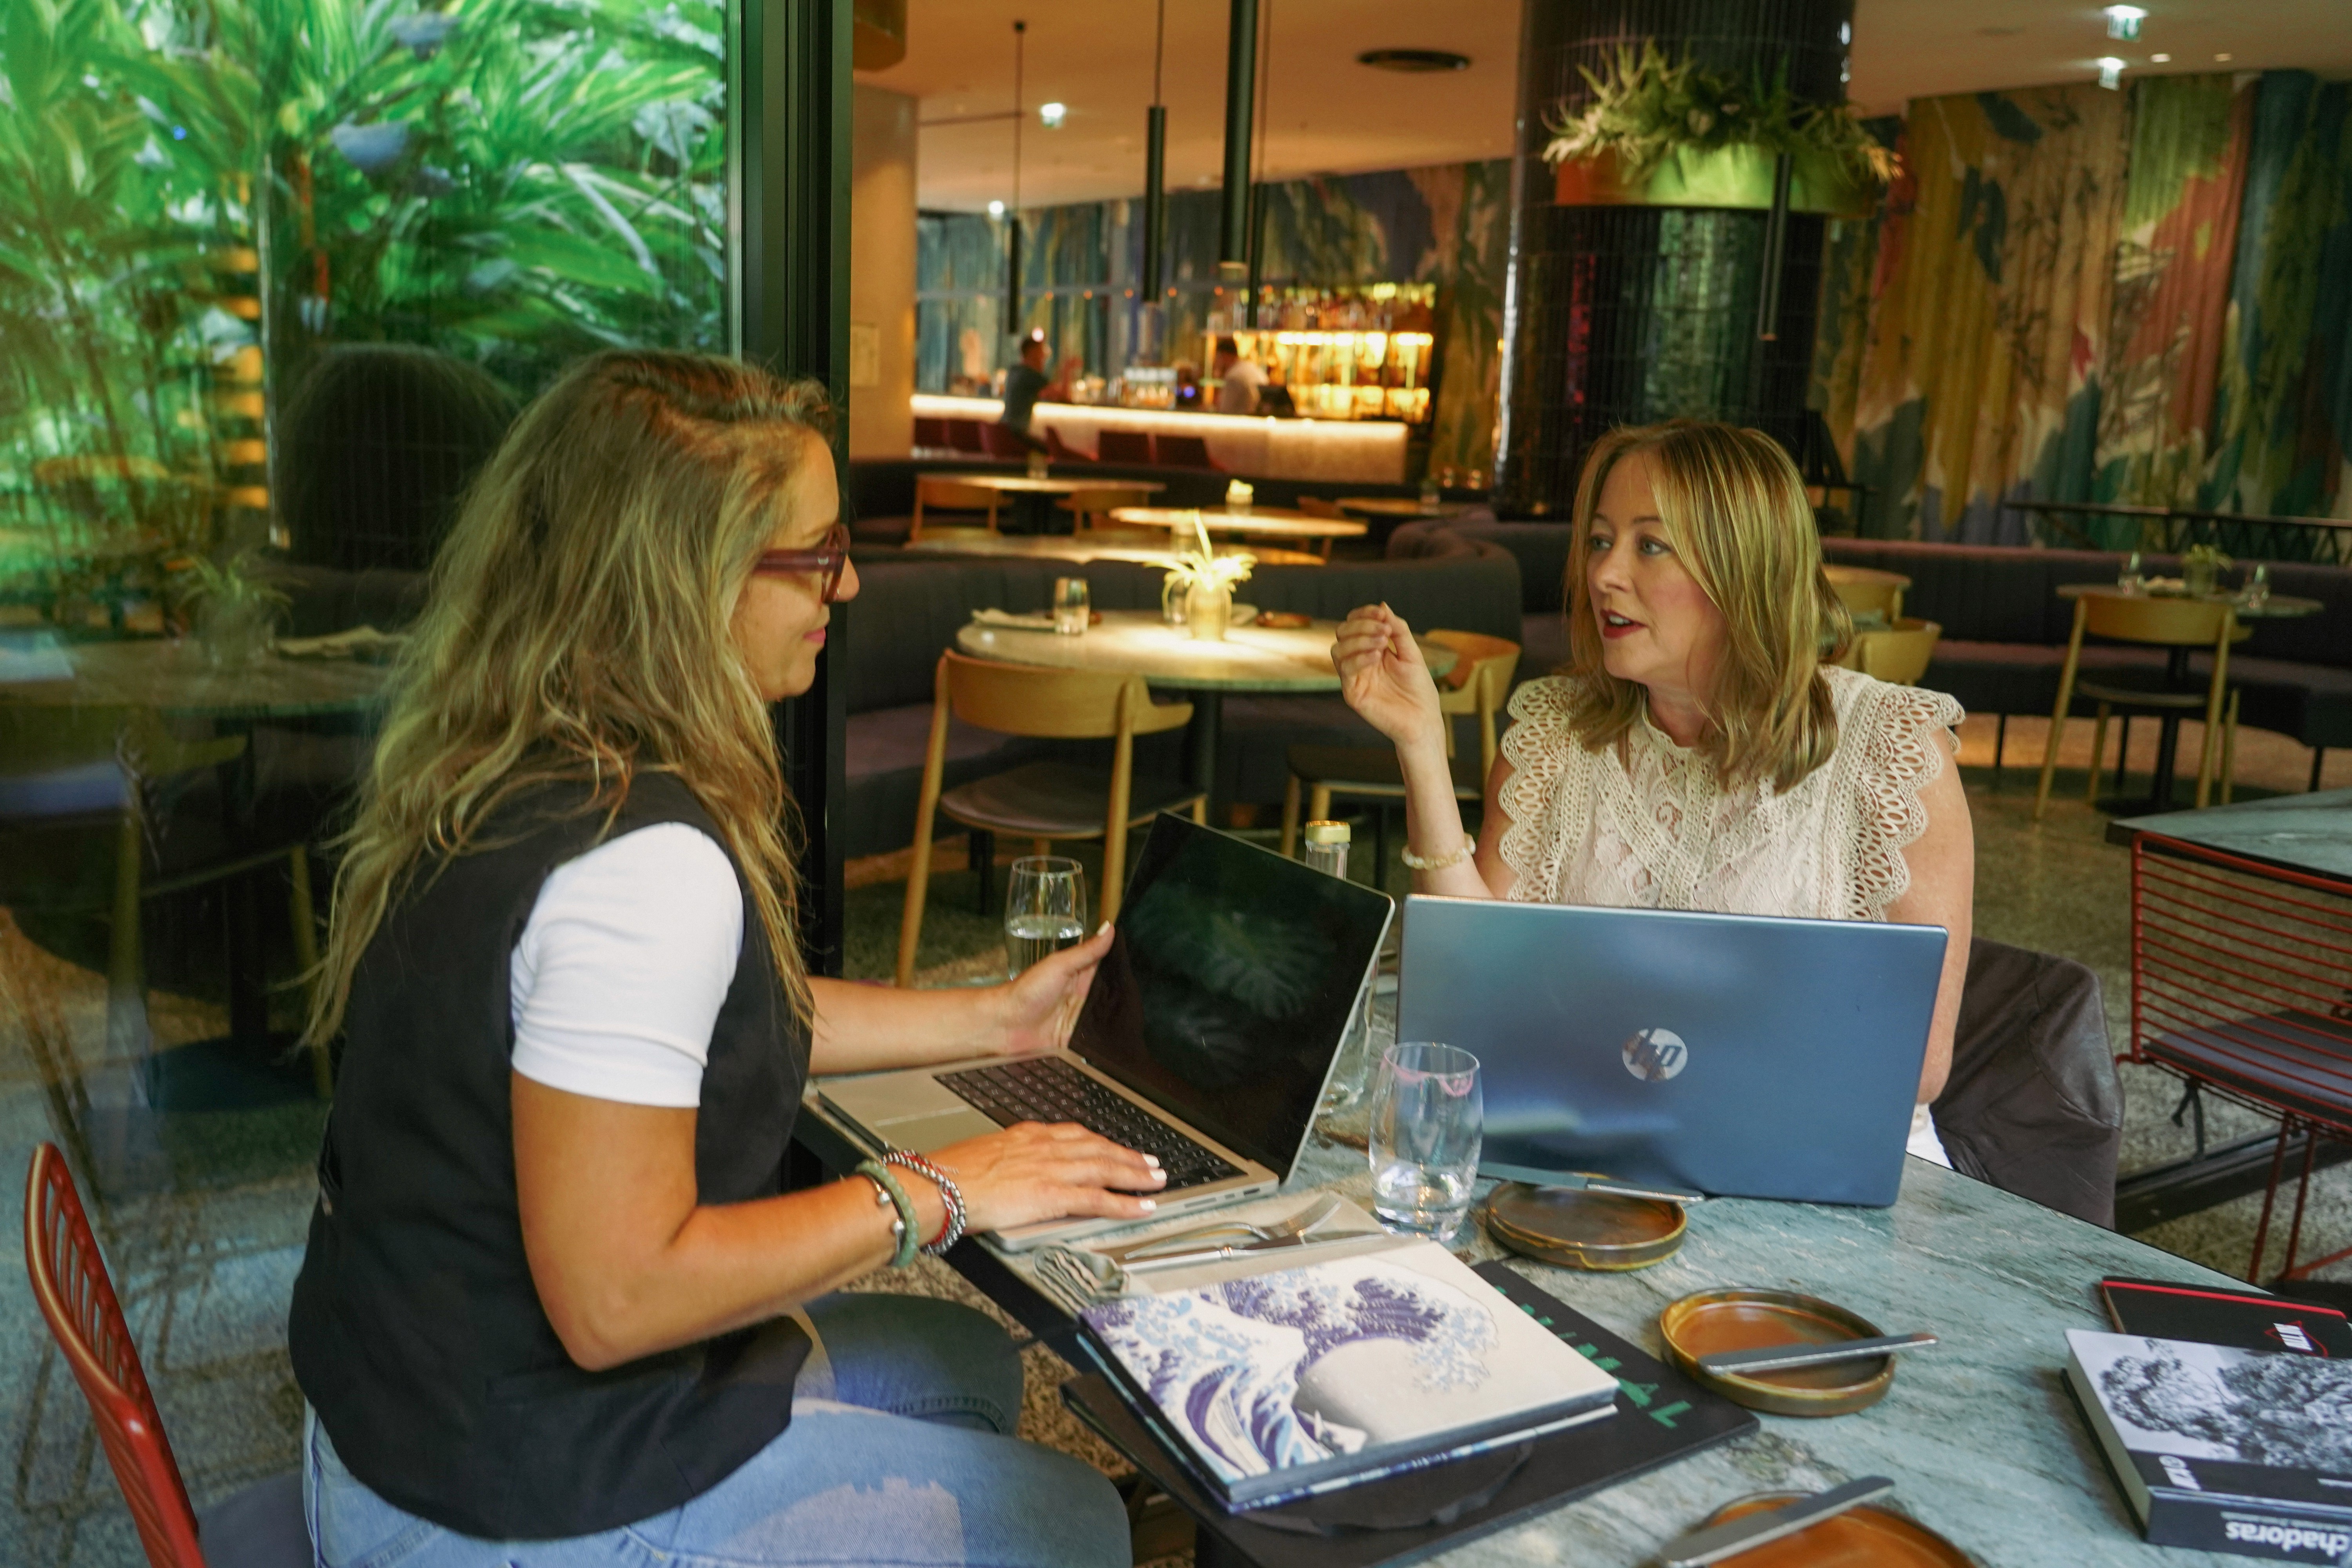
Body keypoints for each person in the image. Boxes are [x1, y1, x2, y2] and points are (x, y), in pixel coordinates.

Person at [288, 351, 1164, 1566]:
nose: (846, 582)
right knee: (1069, 1522)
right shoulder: (642, 868)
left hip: (402, 1414)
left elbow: (705, 1017)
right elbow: (619, 1303)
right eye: (814, 555)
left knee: (961, 1359)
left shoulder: (516, 759)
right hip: (487, 1505)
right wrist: (944, 1187)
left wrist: (996, 1022)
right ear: (686, 581)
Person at [1331, 420, 1972, 1163]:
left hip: (1821, 1160)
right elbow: (1473, 983)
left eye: (1650, 544)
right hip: (1599, 1138)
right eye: (1601, 541)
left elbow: (1917, 1068)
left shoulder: (1892, 745)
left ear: (1745, 568)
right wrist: (1421, 746)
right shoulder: (1558, 729)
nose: (1604, 573)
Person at [997, 330, 1053, 449]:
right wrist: (1068, 370)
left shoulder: (1014, 371)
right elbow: (1061, 395)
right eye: (1041, 352)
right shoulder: (1030, 375)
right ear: (1033, 353)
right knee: (1051, 450)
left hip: (1001, 432)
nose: (1044, 357)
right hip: (1015, 434)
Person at [1213, 334, 1266, 415]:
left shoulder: (1234, 377)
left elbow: (1225, 411)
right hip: (1255, 421)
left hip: (1241, 422)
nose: (1216, 363)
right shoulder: (1252, 367)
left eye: (1218, 358)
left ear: (1224, 356)